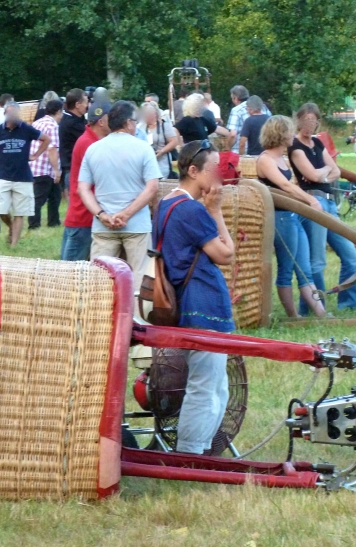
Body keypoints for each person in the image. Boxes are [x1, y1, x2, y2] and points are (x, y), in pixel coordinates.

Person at [155, 140, 235, 454]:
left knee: (216, 387)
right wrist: (215, 211)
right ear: (193, 170)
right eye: (213, 170)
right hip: (203, 305)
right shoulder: (192, 210)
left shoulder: (166, 204)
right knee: (206, 388)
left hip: (186, 303)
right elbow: (226, 254)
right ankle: (190, 455)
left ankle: (200, 450)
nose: (218, 177)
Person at [77, 101, 162, 291]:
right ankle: (138, 318)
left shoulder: (93, 149)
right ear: (129, 123)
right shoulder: (143, 148)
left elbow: (83, 189)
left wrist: (101, 215)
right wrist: (127, 214)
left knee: (99, 280)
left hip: (103, 225)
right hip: (137, 224)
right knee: (140, 277)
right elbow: (152, 187)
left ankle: (100, 318)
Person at [290, 102, 356, 314]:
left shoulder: (318, 144)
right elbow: (312, 176)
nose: (309, 125)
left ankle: (349, 304)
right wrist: (324, 172)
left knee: (350, 255)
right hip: (314, 202)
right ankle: (314, 308)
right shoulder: (295, 146)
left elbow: (335, 172)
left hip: (330, 202)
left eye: (313, 121)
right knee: (317, 261)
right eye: (305, 121)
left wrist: (321, 172)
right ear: (298, 121)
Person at [256, 116, 325, 318]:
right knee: (286, 268)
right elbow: (285, 186)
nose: (293, 135)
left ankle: (321, 314)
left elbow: (291, 185)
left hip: (291, 216)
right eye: (289, 131)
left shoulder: (281, 158)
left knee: (304, 269)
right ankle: (293, 316)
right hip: (279, 219)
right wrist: (311, 201)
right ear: (281, 134)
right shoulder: (266, 160)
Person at [0, 102, 50, 248]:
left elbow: (46, 139)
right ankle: (11, 227)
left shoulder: (26, 129)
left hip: (23, 178)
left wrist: (35, 155)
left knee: (20, 213)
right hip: (4, 177)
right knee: (0, 210)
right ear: (5, 115)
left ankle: (13, 245)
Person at [61, 101, 112, 261]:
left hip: (82, 214)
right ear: (101, 122)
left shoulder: (90, 141)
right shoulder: (89, 144)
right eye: (112, 118)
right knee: (70, 272)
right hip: (83, 215)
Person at [28, 99, 63, 229]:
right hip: (45, 168)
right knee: (39, 199)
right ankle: (34, 224)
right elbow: (52, 148)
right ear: (58, 112)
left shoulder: (37, 123)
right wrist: (56, 170)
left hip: (34, 166)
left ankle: (54, 221)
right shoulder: (52, 126)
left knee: (55, 195)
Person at [59, 88, 89, 197]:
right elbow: (90, 136)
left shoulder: (76, 120)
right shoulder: (71, 123)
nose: (88, 106)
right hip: (74, 171)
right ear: (77, 104)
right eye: (86, 102)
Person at [138, 101, 178, 179]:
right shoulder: (141, 126)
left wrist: (162, 151)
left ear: (154, 114)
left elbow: (174, 141)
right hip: (145, 163)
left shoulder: (164, 125)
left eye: (147, 114)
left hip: (162, 164)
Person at [226, 85, 271, 153]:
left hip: (242, 151)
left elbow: (232, 134)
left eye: (232, 98)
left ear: (236, 98)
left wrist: (227, 148)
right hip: (263, 151)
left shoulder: (236, 110)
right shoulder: (263, 107)